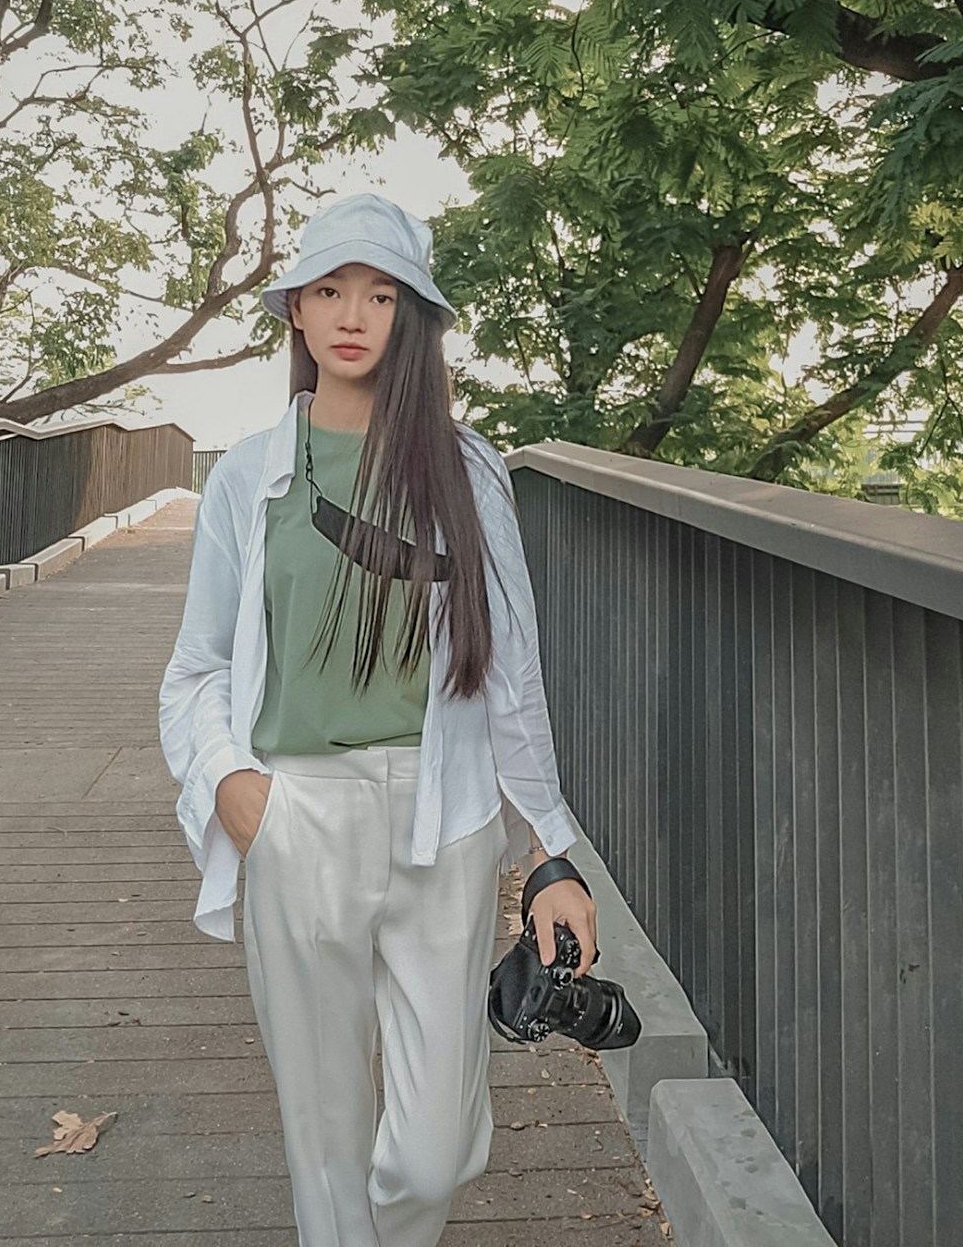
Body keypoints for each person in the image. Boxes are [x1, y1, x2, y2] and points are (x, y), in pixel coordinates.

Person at [157, 191, 598, 1247]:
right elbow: (197, 668)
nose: (353, 312)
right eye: (329, 290)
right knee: (325, 1137)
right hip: (295, 810)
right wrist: (232, 783)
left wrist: (551, 853)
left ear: (414, 320)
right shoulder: (247, 481)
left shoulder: (469, 472)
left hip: (441, 822)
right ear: (297, 316)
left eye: (381, 293)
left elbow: (513, 681)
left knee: (436, 1148)